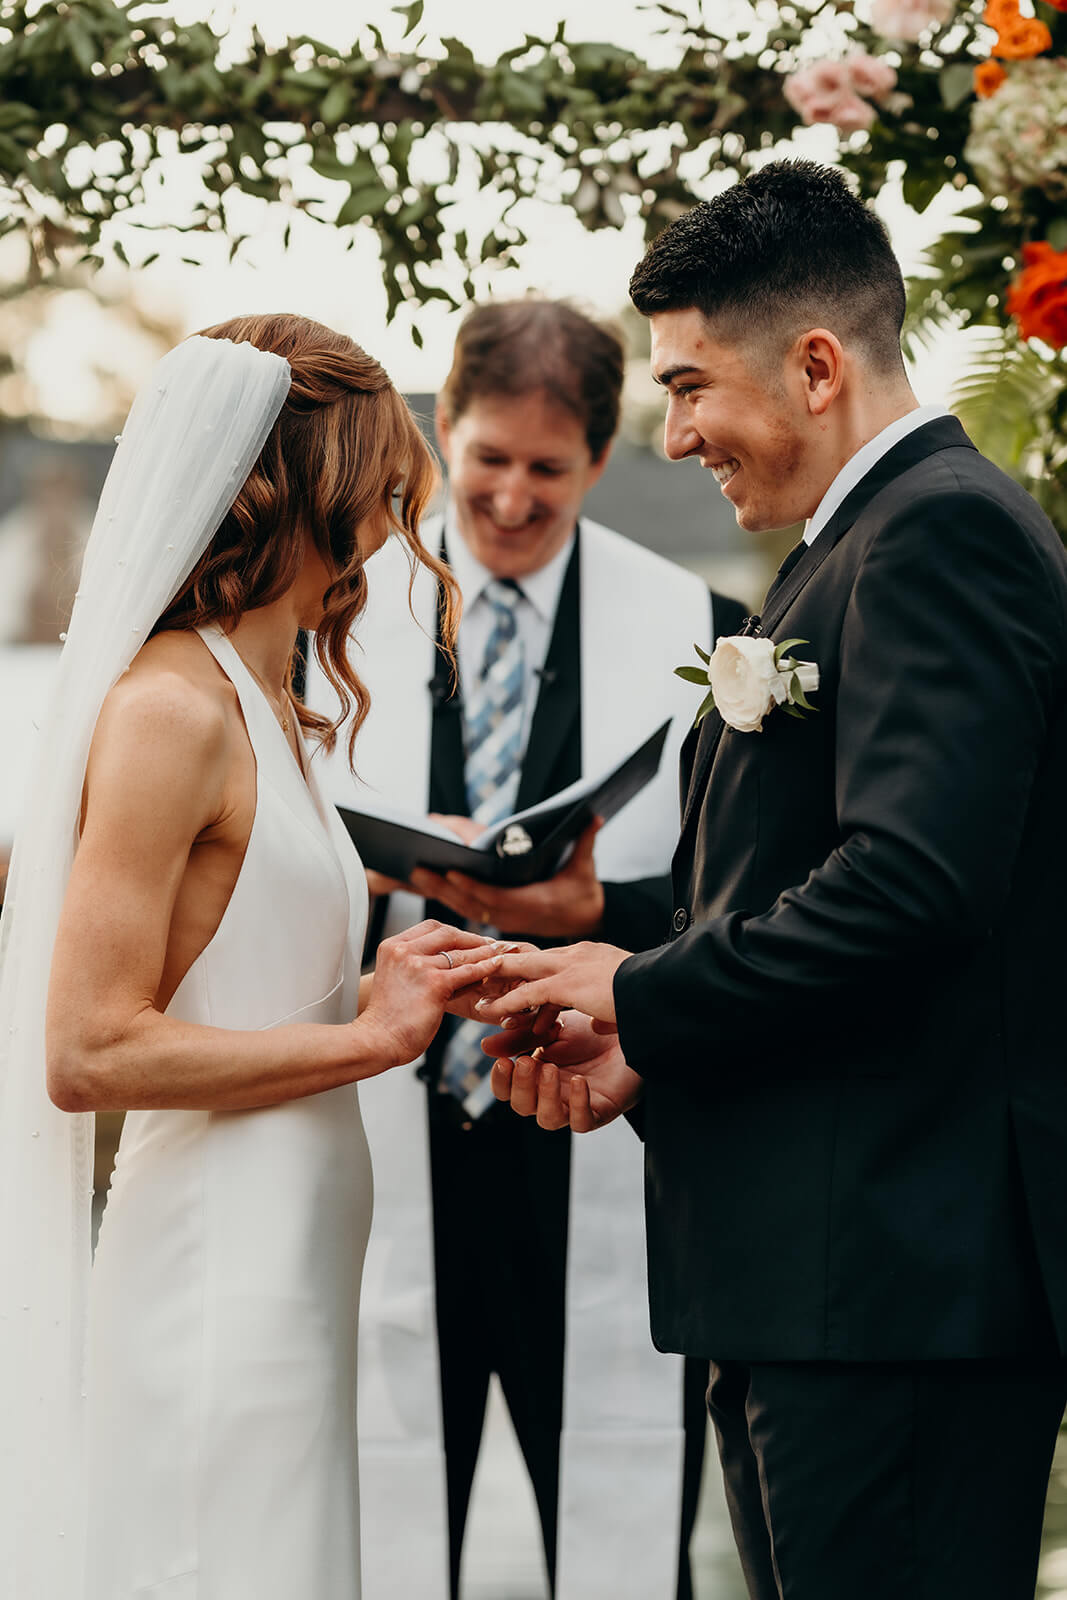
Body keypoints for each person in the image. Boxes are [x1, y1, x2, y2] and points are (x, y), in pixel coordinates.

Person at [483, 161, 1067, 1600]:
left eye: (687, 387)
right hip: (828, 1280)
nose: (671, 436)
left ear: (814, 367)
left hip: (892, 1290)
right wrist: (606, 946)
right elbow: (816, 874)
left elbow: (909, 890)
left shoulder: (937, 535)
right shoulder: (854, 545)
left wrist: (643, 993)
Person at [0, 315, 503, 1600]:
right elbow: (87, 1045)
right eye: (386, 485)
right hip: (215, 1264)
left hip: (294, 1255)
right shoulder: (169, 711)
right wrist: (374, 1036)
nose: (395, 527)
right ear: (319, 487)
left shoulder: (262, 700)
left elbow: (254, 942)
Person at [307, 298, 747, 1600]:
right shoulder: (332, 609)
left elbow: (737, 901)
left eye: (546, 470)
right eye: (486, 457)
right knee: (367, 1526)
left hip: (588, 1137)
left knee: (617, 1529)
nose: (508, 496)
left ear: (599, 461)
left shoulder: (702, 630)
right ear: (445, 430)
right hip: (384, 1140)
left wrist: (590, 915)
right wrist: (370, 857)